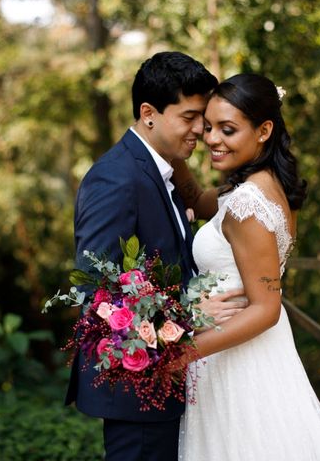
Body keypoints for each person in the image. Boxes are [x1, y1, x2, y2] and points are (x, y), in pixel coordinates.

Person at [64, 51, 246, 461]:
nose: (201, 129)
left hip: (165, 382)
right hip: (137, 387)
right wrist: (191, 313)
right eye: (189, 116)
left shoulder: (159, 170)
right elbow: (99, 294)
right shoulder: (116, 177)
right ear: (149, 113)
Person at [177, 73, 320, 460]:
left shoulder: (247, 205)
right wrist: (175, 152)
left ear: (264, 130)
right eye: (207, 127)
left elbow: (267, 308)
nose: (211, 139)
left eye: (227, 129)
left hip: (238, 359)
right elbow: (198, 199)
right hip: (245, 351)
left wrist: (182, 353)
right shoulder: (255, 188)